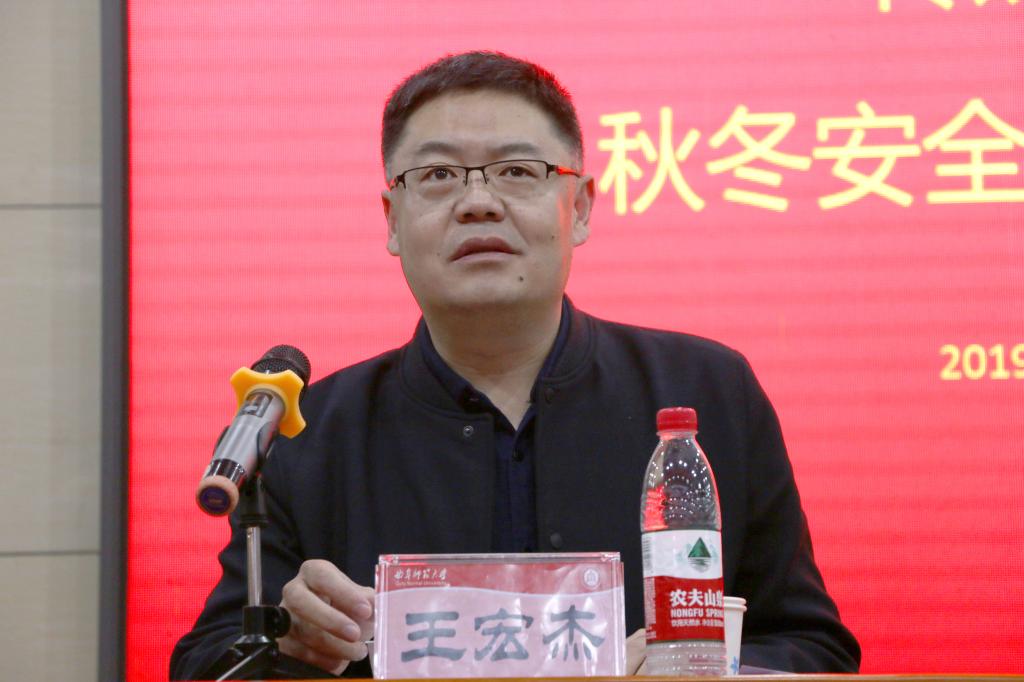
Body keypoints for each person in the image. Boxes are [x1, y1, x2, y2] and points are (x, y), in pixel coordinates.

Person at [170, 51, 860, 679]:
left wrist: (707, 670)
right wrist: (289, 647)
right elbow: (206, 661)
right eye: (437, 176)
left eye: (517, 172)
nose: (477, 202)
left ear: (579, 208)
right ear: (391, 219)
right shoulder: (310, 430)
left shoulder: (706, 392)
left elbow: (811, 645)